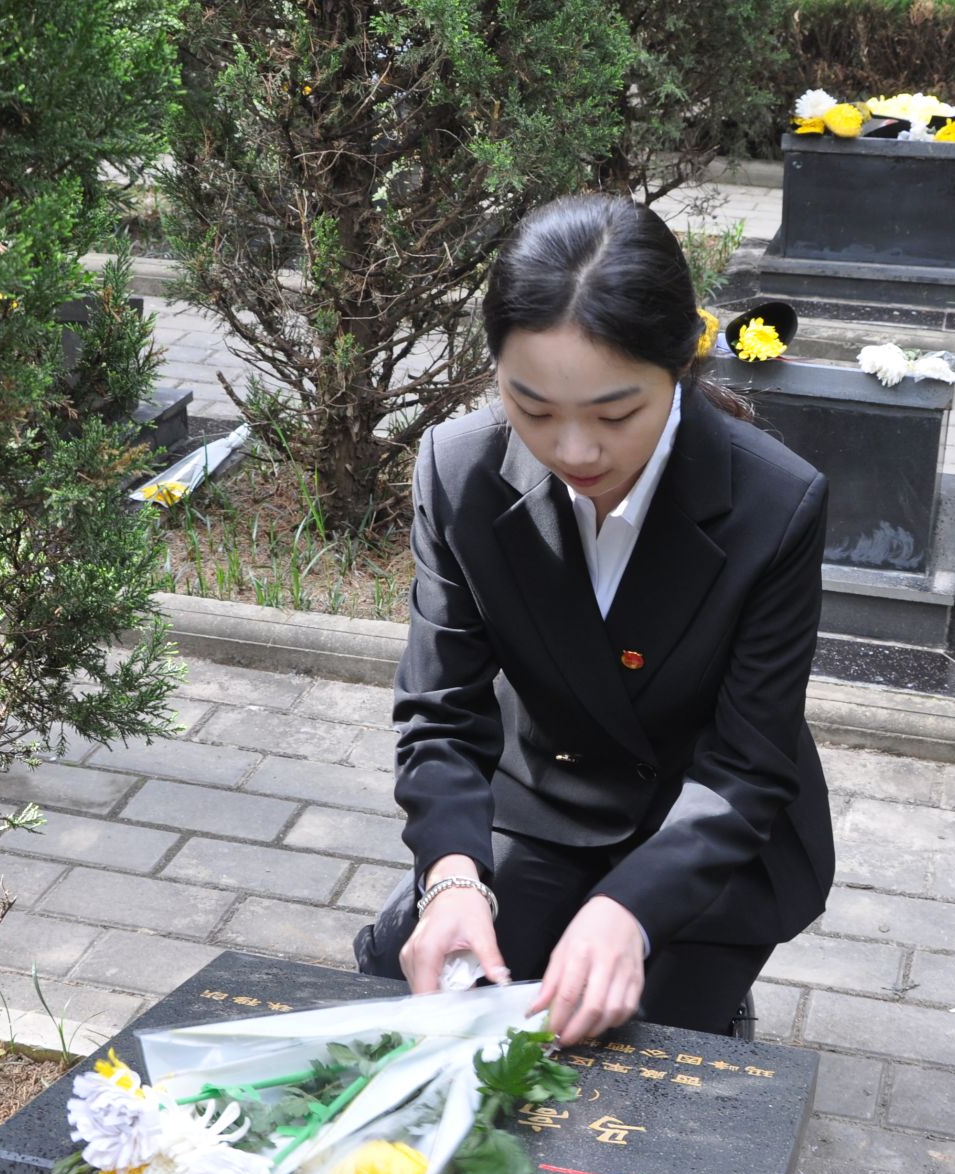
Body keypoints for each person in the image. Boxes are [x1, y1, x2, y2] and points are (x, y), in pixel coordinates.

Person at [355, 194, 834, 1048]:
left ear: (681, 364)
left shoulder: (776, 502)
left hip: (706, 823)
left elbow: (748, 765)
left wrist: (629, 911)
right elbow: (440, 711)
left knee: (642, 1049)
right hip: (542, 799)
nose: (573, 452)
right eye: (533, 409)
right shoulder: (459, 471)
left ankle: (717, 998)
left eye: (616, 415)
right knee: (417, 987)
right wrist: (452, 877)